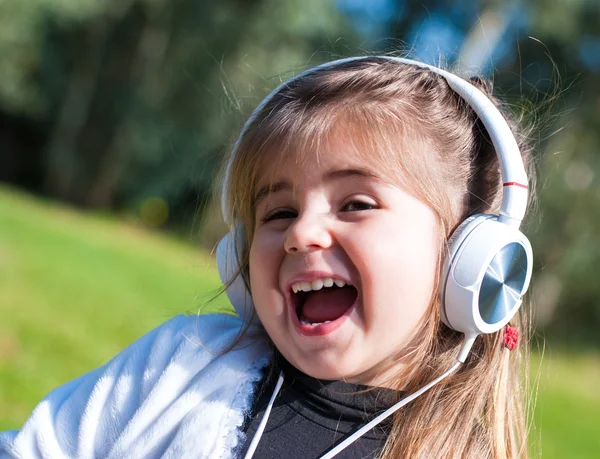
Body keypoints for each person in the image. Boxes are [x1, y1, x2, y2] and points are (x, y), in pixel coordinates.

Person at [0, 56, 535, 459]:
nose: (301, 233)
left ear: (471, 261)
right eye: (277, 212)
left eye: (355, 204)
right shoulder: (182, 364)